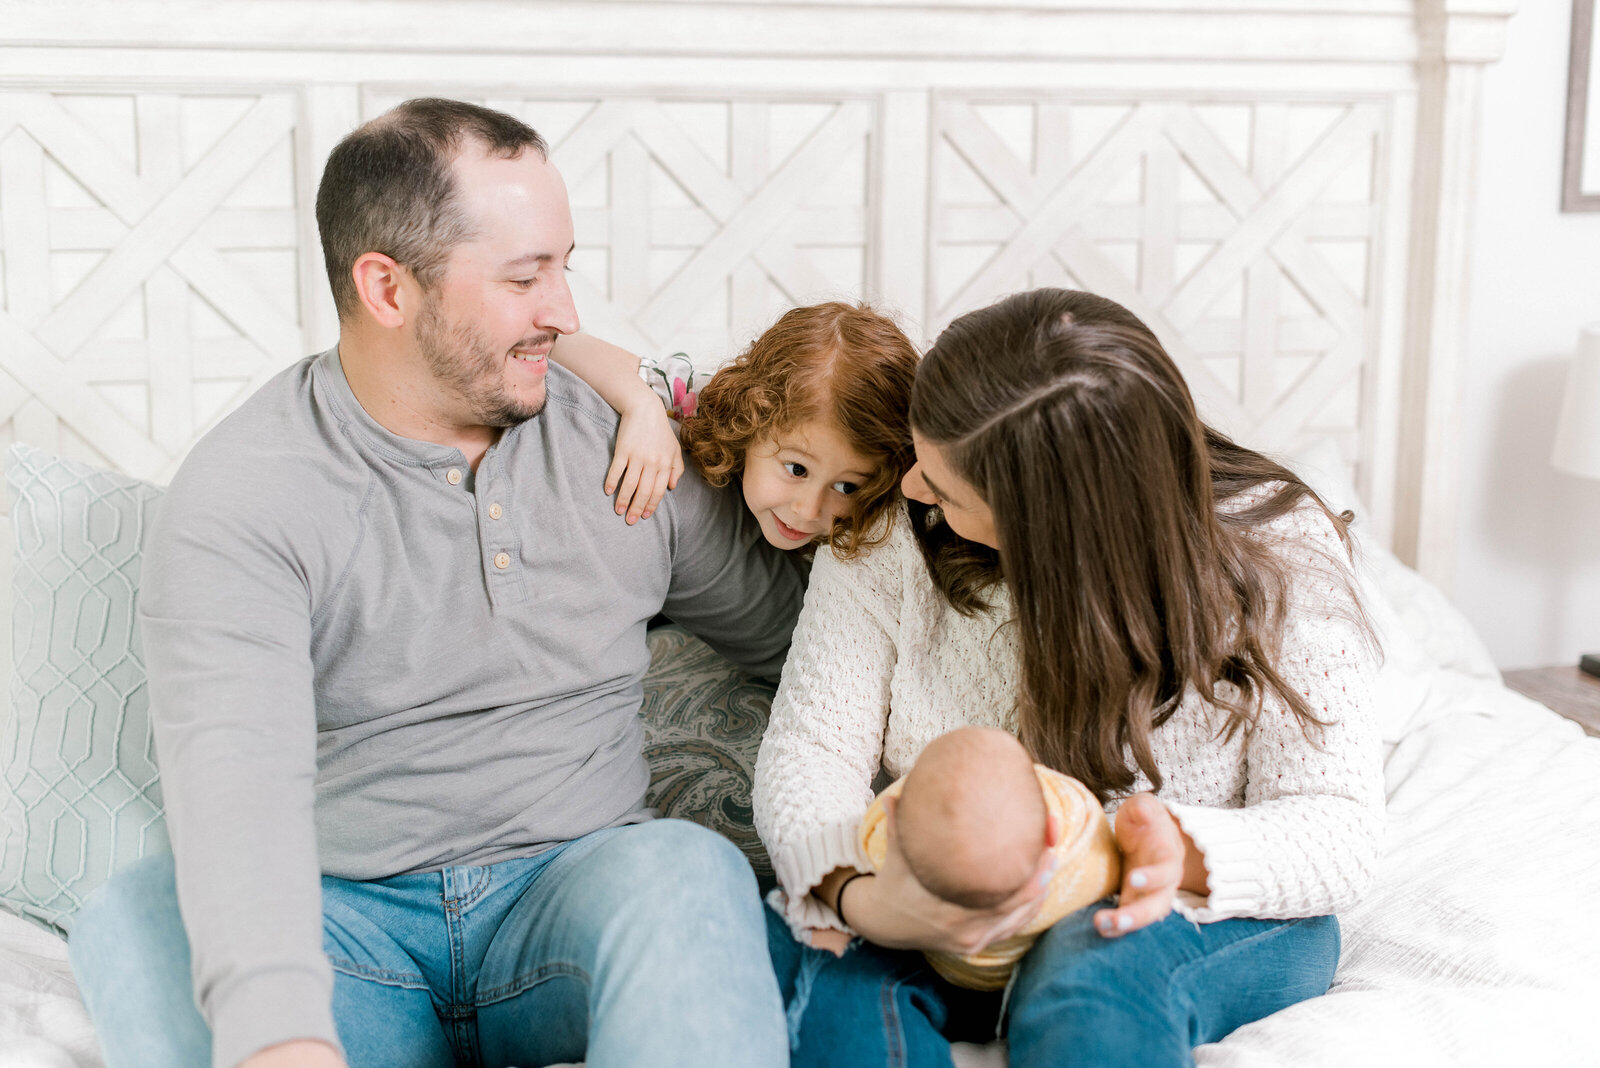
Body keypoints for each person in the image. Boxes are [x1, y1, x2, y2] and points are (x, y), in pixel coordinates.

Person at [66, 97, 804, 1068]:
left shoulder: (628, 447)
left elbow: (805, 641)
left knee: (687, 869)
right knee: (135, 918)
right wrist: (281, 1035)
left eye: (564, 267)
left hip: (571, 897)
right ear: (386, 288)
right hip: (353, 929)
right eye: (523, 277)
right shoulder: (245, 492)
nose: (565, 313)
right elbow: (235, 779)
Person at [754, 287, 1384, 1067]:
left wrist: (1171, 849)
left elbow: (1341, 827)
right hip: (946, 880)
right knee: (830, 974)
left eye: (945, 488)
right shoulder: (892, 534)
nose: (910, 486)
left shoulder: (1282, 553)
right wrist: (860, 894)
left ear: (1046, 526)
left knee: (1091, 973)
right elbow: (813, 748)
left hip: (1168, 903)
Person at [853, 726, 1120, 991]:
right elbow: (1111, 862)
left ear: (893, 815)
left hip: (940, 966)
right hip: (1034, 975)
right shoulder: (1076, 833)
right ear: (1052, 831)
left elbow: (854, 843)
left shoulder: (883, 842)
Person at [676, 301, 920, 555]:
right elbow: (635, 369)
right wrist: (642, 406)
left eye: (847, 487)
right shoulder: (696, 402)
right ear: (750, 415)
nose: (808, 511)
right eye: (797, 469)